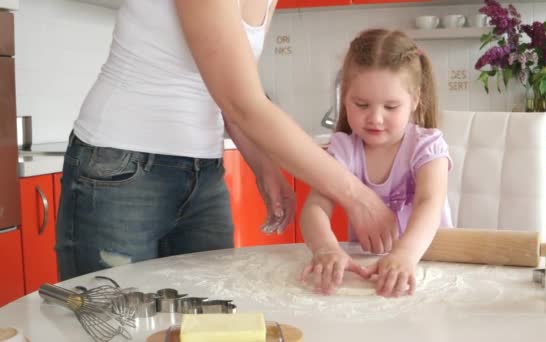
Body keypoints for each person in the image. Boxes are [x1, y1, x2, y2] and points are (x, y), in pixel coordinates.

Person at [55, 1, 399, 280]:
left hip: (201, 173)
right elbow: (242, 101)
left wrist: (264, 168)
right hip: (120, 168)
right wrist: (357, 196)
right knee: (113, 323)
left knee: (206, 321)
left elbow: (227, 90)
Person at [299, 28, 453, 298]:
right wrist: (326, 248)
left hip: (431, 270)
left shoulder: (426, 146)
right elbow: (315, 207)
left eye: (390, 107)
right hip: (372, 276)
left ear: (415, 100)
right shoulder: (345, 150)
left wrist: (405, 254)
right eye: (361, 104)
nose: (375, 118)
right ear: (345, 97)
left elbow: (430, 202)